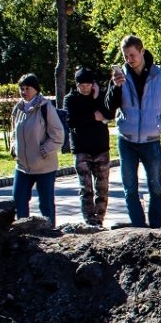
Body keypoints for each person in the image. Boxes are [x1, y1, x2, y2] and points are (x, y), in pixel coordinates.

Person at [104, 35, 161, 228]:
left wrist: (160, 123)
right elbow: (109, 108)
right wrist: (115, 87)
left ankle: (155, 225)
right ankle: (138, 225)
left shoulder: (160, 76)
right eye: (125, 55)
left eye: (132, 54)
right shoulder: (119, 77)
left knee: (155, 185)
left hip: (151, 139)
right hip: (126, 139)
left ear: (142, 52)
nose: (129, 59)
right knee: (129, 186)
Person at [10, 74, 65, 227]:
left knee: (45, 205)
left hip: (44, 167)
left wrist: (44, 150)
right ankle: (22, 234)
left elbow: (58, 136)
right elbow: (14, 132)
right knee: (18, 200)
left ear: (36, 89)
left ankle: (50, 235)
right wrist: (14, 147)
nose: (24, 92)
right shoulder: (19, 108)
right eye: (21, 88)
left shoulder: (46, 107)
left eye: (28, 88)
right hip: (22, 167)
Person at [65, 67, 111, 226]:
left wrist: (97, 97)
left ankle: (99, 219)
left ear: (93, 84)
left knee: (102, 188)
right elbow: (72, 122)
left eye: (88, 84)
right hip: (82, 148)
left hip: (101, 147)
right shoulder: (71, 99)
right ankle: (89, 220)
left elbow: (107, 114)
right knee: (86, 188)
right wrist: (92, 116)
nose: (84, 88)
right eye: (81, 85)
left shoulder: (100, 96)